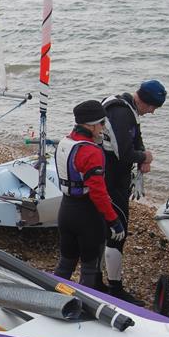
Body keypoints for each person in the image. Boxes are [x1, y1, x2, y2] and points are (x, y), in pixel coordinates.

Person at [100, 79, 167, 304]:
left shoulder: (127, 107)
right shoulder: (122, 113)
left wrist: (143, 156)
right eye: (153, 108)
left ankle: (97, 279)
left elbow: (135, 138)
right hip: (111, 181)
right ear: (145, 102)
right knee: (117, 232)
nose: (153, 112)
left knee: (107, 230)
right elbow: (124, 153)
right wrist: (143, 157)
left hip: (113, 180)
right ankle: (115, 288)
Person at [53, 100, 124, 291]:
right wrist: (113, 221)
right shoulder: (91, 151)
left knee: (65, 264)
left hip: (65, 211)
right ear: (91, 124)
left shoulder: (64, 143)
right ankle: (84, 309)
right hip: (87, 216)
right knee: (89, 269)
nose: (103, 128)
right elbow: (98, 193)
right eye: (101, 123)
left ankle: (50, 299)